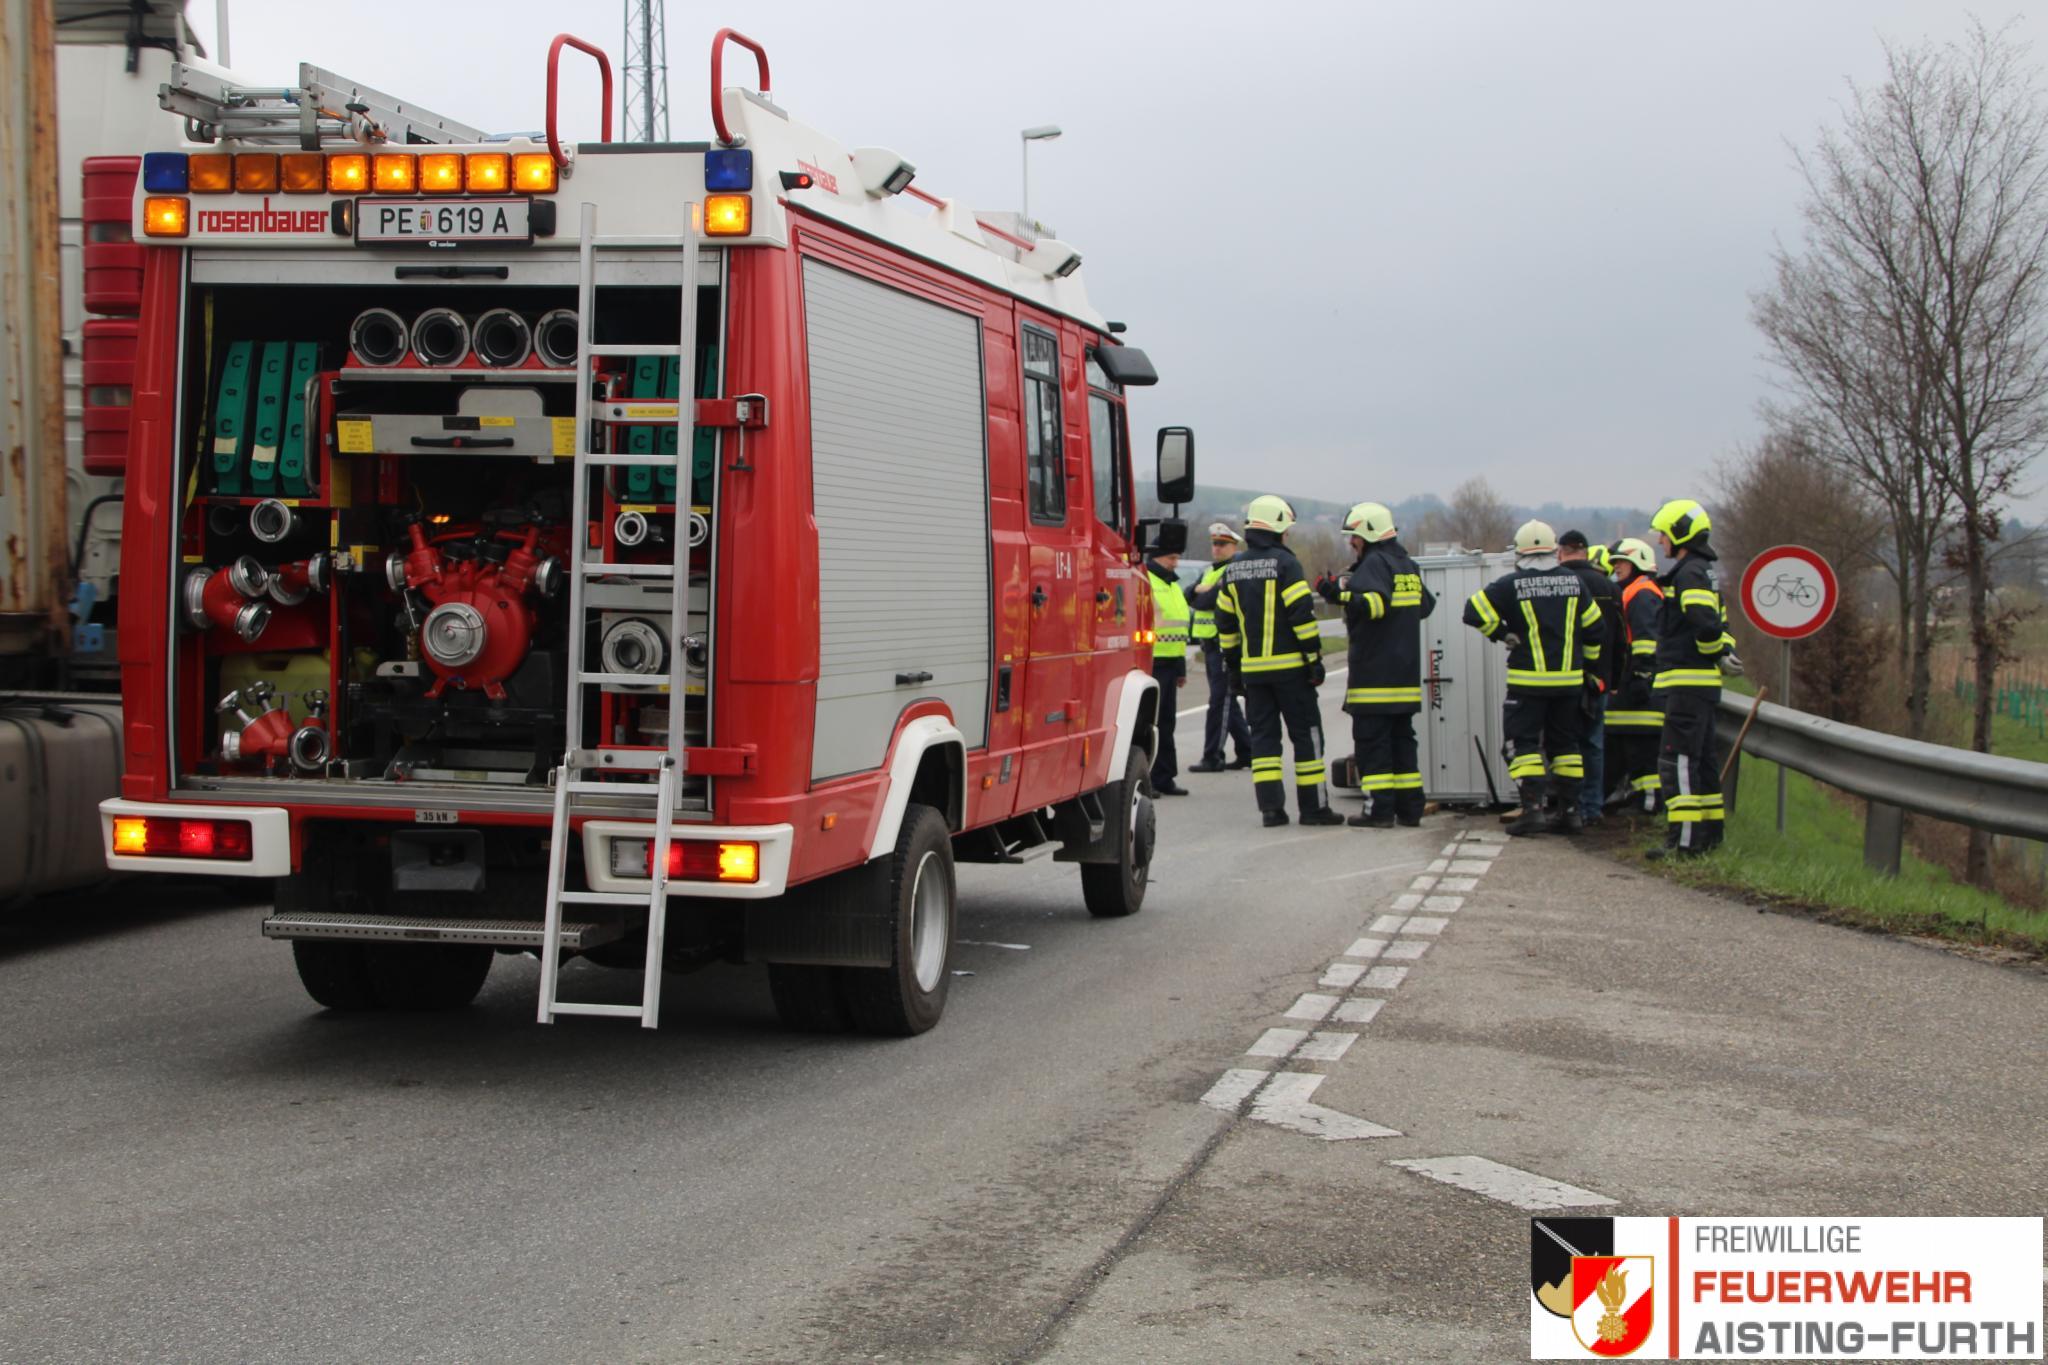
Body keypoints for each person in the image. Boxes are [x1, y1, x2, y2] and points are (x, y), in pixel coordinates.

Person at [1461, 519, 1604, 837]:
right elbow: (1596, 629)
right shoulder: (1575, 583)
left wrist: (1502, 634)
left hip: (1528, 684)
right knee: (1566, 746)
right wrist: (1589, 668)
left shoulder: (1510, 584)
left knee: (1521, 744)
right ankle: (1570, 813)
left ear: (1520, 553)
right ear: (1555, 551)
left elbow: (1472, 611)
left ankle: (1533, 810)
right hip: (1569, 684)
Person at [1215, 494, 1343, 828]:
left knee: (1264, 742)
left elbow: (1225, 625)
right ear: (1277, 529)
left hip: (1254, 675)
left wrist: (1234, 668)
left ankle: (1271, 810)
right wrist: (1314, 659)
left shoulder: (1233, 569)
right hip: (1291, 672)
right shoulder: (1286, 564)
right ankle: (1314, 809)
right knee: (1307, 736)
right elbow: (1302, 616)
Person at [1316, 501, 1435, 827]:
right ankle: (1410, 809)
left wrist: (1336, 595)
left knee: (1372, 744)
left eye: (1353, 536)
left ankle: (1379, 810)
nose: (1351, 543)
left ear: (1368, 533)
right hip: (1404, 675)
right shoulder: (1407, 565)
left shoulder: (1374, 563)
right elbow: (1425, 606)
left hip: (1374, 676)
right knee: (1402, 744)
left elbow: (1375, 605)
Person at [1646, 500, 1734, 857]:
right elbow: (1721, 625)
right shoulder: (1704, 572)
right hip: (1701, 685)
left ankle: (1683, 843)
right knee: (1703, 762)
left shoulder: (1689, 574)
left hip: (1686, 683)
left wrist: (1715, 650)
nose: (1660, 541)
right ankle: (1709, 836)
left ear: (1680, 534)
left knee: (1677, 760)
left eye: (1664, 535)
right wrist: (1722, 652)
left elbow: (1706, 624)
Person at [1558, 529, 1621, 826]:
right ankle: (1592, 807)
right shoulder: (1609, 586)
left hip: (1563, 677)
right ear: (1587, 552)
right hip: (1600, 679)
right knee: (1594, 744)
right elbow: (1620, 639)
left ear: (1561, 552)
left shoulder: (1557, 582)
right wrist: (1615, 679)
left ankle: (1567, 807)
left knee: (1564, 745)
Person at [1605, 537, 1666, 812]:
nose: (1616, 567)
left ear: (1638, 562)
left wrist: (1642, 674)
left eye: (1622, 562)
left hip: (1641, 682)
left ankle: (1650, 804)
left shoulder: (1642, 593)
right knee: (1631, 745)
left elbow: (1645, 639)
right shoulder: (1633, 591)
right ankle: (1639, 800)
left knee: (1643, 749)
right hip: (1632, 681)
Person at [1187, 523, 1253, 773]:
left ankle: (1213, 756)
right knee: (1227, 701)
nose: (1217, 548)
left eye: (1222, 544)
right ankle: (1248, 751)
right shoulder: (1209, 571)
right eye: (1214, 544)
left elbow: (1206, 601)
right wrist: (1197, 590)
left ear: (1234, 546)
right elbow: (1189, 594)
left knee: (1219, 701)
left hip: (1225, 643)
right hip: (1209, 645)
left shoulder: (1233, 571)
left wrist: (1201, 593)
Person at [1144, 543, 1191, 796]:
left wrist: (1181, 667)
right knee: (1150, 723)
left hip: (1170, 663)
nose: (1175, 563)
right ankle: (1147, 778)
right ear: (1157, 557)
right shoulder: (1147, 581)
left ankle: (1164, 777)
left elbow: (1179, 631)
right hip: (1151, 662)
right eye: (1171, 557)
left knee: (1167, 722)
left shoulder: (1172, 584)